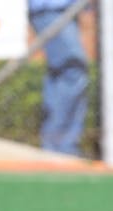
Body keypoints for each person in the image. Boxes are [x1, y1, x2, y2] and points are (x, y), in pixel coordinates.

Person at [27, 0, 89, 157]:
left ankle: (55, 143)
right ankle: (61, 146)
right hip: (52, 9)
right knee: (72, 71)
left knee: (62, 72)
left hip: (65, 10)